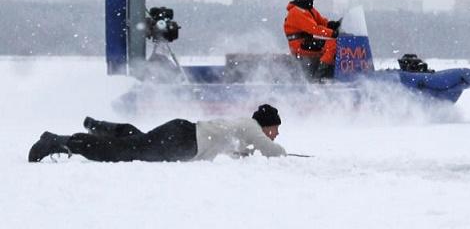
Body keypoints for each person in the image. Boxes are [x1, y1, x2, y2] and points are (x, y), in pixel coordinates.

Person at [28, 104, 287, 162]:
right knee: (122, 152)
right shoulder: (252, 128)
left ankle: (101, 126)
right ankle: (57, 142)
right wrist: (286, 154)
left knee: (137, 141)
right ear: (267, 124)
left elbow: (243, 151)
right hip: (183, 140)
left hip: (181, 133)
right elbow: (272, 152)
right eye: (275, 128)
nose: (275, 134)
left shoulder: (242, 128)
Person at [283, 0, 341, 79]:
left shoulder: (309, 10)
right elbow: (314, 29)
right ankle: (318, 78)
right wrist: (333, 33)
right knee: (332, 45)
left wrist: (335, 24)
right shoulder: (296, 12)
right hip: (299, 45)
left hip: (306, 42)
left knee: (332, 44)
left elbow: (322, 22)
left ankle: (331, 72)